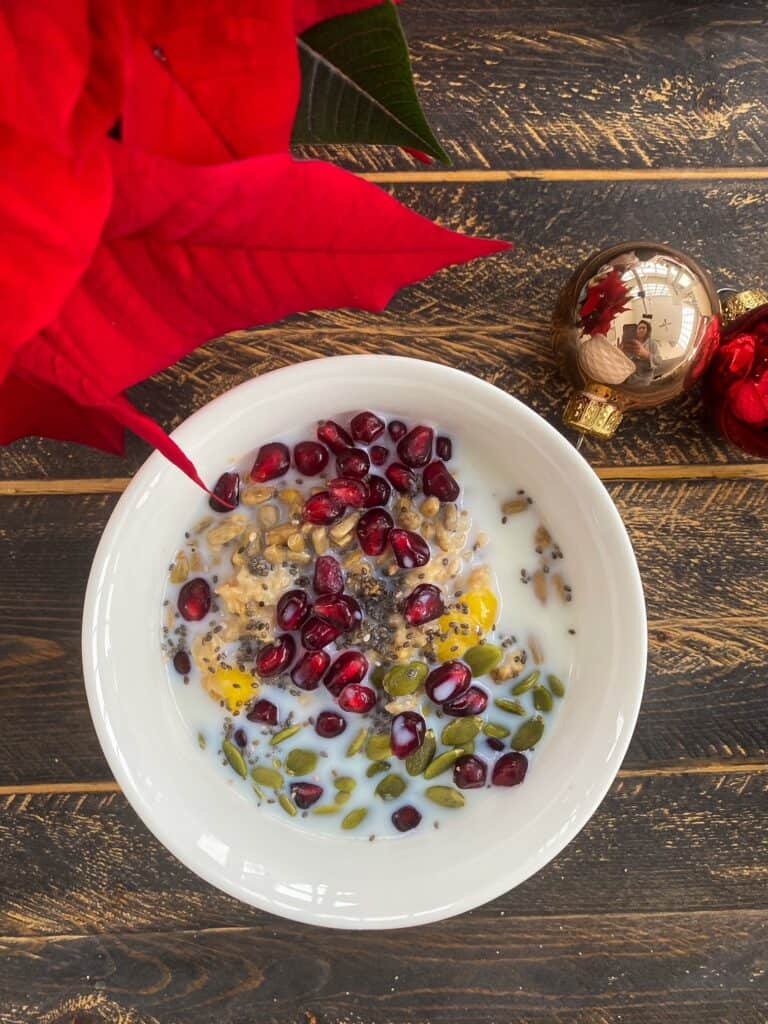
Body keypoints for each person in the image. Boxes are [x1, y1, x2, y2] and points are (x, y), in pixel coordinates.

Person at [622, 320, 661, 386]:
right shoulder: (630, 343)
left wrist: (646, 355)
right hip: (629, 379)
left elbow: (659, 361)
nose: (641, 330)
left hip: (644, 381)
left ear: (648, 330)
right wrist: (621, 351)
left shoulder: (652, 344)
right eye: (639, 328)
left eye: (643, 328)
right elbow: (624, 361)